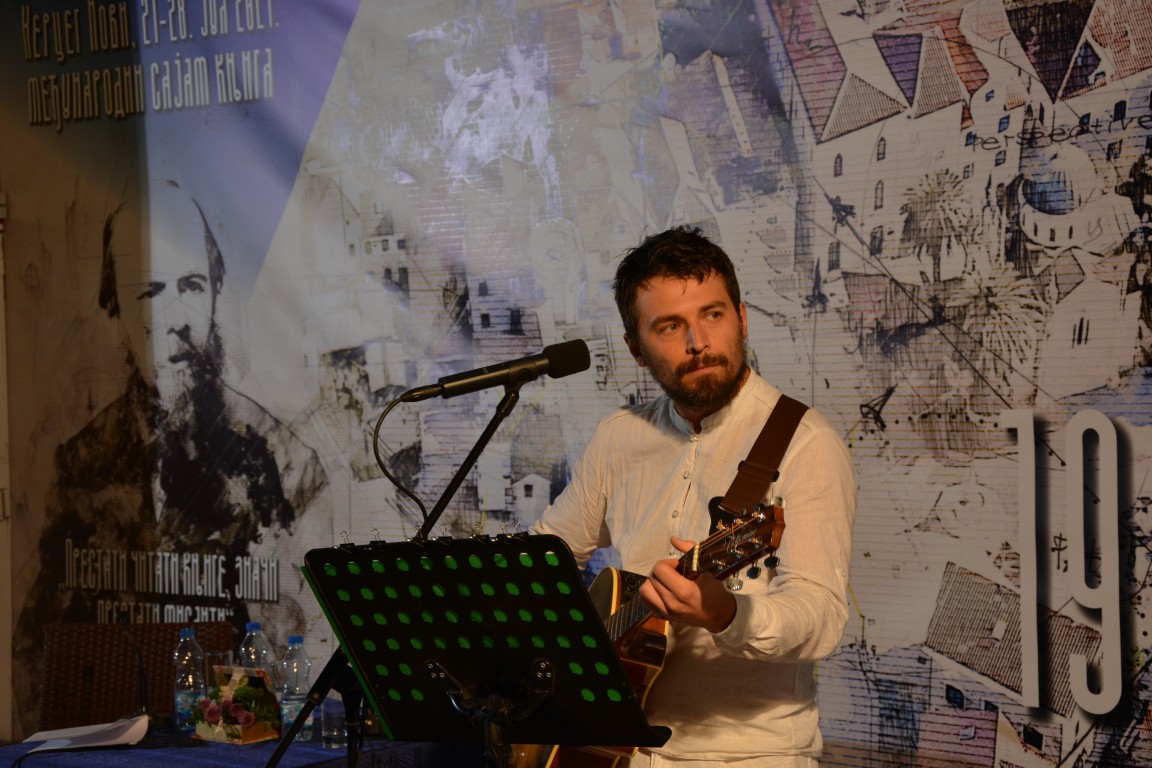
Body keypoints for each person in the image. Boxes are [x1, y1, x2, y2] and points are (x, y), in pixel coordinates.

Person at [14, 179, 331, 734]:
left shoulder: (286, 463)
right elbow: (34, 651)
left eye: (191, 285)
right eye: (149, 293)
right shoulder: (82, 465)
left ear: (215, 291)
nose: (177, 317)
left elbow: (317, 642)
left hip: (251, 742)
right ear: (114, 307)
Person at [532, 225, 856, 767]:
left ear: (742, 319)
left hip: (750, 757)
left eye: (713, 315)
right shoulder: (619, 436)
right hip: (618, 751)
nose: (698, 342)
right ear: (636, 349)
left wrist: (729, 614)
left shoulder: (806, 442)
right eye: (670, 326)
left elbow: (820, 615)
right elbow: (547, 558)